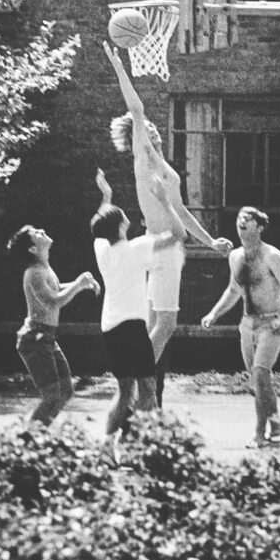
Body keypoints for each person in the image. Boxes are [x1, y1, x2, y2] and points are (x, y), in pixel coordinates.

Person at [103, 42, 232, 405]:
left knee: (152, 325)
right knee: (167, 323)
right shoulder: (144, 160)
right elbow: (137, 107)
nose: (152, 131)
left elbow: (182, 211)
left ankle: (141, 388)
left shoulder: (164, 167)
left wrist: (209, 242)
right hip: (161, 244)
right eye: (144, 130)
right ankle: (138, 388)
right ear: (137, 139)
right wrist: (119, 66)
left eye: (152, 129)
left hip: (166, 243)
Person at [91, 168, 186, 460]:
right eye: (121, 215)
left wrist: (106, 197)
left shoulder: (101, 249)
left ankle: (107, 447)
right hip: (133, 327)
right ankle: (143, 447)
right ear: (121, 226)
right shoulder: (139, 247)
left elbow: (101, 222)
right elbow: (180, 234)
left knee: (123, 391)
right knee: (147, 389)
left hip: (110, 327)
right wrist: (164, 199)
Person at [201, 207, 280, 448]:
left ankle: (259, 435)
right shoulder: (235, 256)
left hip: (271, 324)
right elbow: (234, 290)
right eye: (239, 218)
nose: (242, 222)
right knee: (258, 382)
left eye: (249, 219)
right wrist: (214, 313)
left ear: (261, 226)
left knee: (260, 374)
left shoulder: (272, 256)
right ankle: (277, 429)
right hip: (247, 324)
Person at [8, 223, 100, 425]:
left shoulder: (44, 268)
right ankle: (26, 438)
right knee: (52, 397)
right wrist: (78, 284)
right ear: (32, 249)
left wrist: (80, 284)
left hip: (47, 338)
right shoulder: (33, 273)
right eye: (36, 234)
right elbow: (53, 301)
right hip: (35, 338)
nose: (41, 231)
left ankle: (37, 434)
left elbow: (56, 289)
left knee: (66, 392)